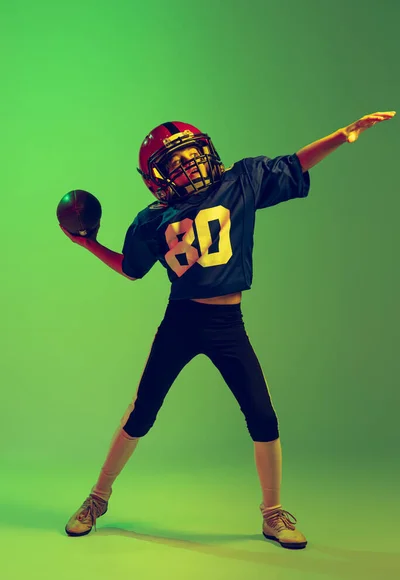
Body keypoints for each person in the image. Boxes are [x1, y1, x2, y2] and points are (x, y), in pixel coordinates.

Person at [61, 111, 395, 550]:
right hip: (181, 320)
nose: (189, 167)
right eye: (175, 165)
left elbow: (295, 163)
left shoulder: (241, 182)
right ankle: (97, 498)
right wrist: (88, 243)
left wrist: (340, 136)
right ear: (157, 179)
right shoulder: (150, 220)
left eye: (191, 157)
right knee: (142, 411)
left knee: (262, 415)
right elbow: (131, 269)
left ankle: (273, 514)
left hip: (227, 324)